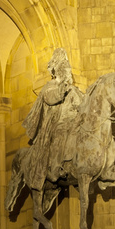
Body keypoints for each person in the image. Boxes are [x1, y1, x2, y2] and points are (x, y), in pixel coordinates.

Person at [20, 48, 84, 191]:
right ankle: (55, 168)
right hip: (57, 123)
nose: (67, 73)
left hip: (73, 123)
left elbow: (82, 103)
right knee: (61, 135)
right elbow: (50, 98)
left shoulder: (73, 89)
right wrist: (62, 89)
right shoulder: (50, 86)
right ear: (57, 72)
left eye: (68, 70)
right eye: (64, 70)